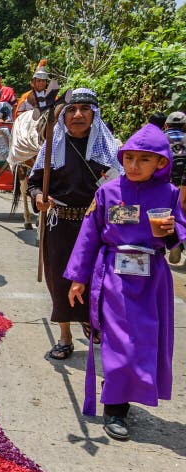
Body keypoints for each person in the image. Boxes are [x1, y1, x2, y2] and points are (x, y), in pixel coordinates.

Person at [65, 124, 186, 440]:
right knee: (120, 342)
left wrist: (170, 232)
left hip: (152, 282)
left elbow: (176, 242)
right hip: (114, 279)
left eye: (143, 160)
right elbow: (89, 236)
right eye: (128, 158)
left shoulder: (170, 195)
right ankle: (115, 407)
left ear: (160, 163)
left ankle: (125, 395)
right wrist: (79, 278)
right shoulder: (108, 192)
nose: (133, 165)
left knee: (144, 340)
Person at [28, 88, 121, 360]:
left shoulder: (109, 147)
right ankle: (65, 336)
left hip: (97, 227)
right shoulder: (51, 146)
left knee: (96, 280)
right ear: (64, 115)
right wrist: (38, 197)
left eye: (84, 109)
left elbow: (122, 185)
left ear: (94, 114)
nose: (77, 114)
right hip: (61, 226)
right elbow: (34, 183)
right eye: (71, 110)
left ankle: (92, 322)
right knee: (60, 281)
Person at [164, 111, 185, 264]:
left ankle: (174, 243)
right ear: (184, 125)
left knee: (170, 216)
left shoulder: (162, 139)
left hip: (168, 184)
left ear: (166, 125)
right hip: (185, 183)